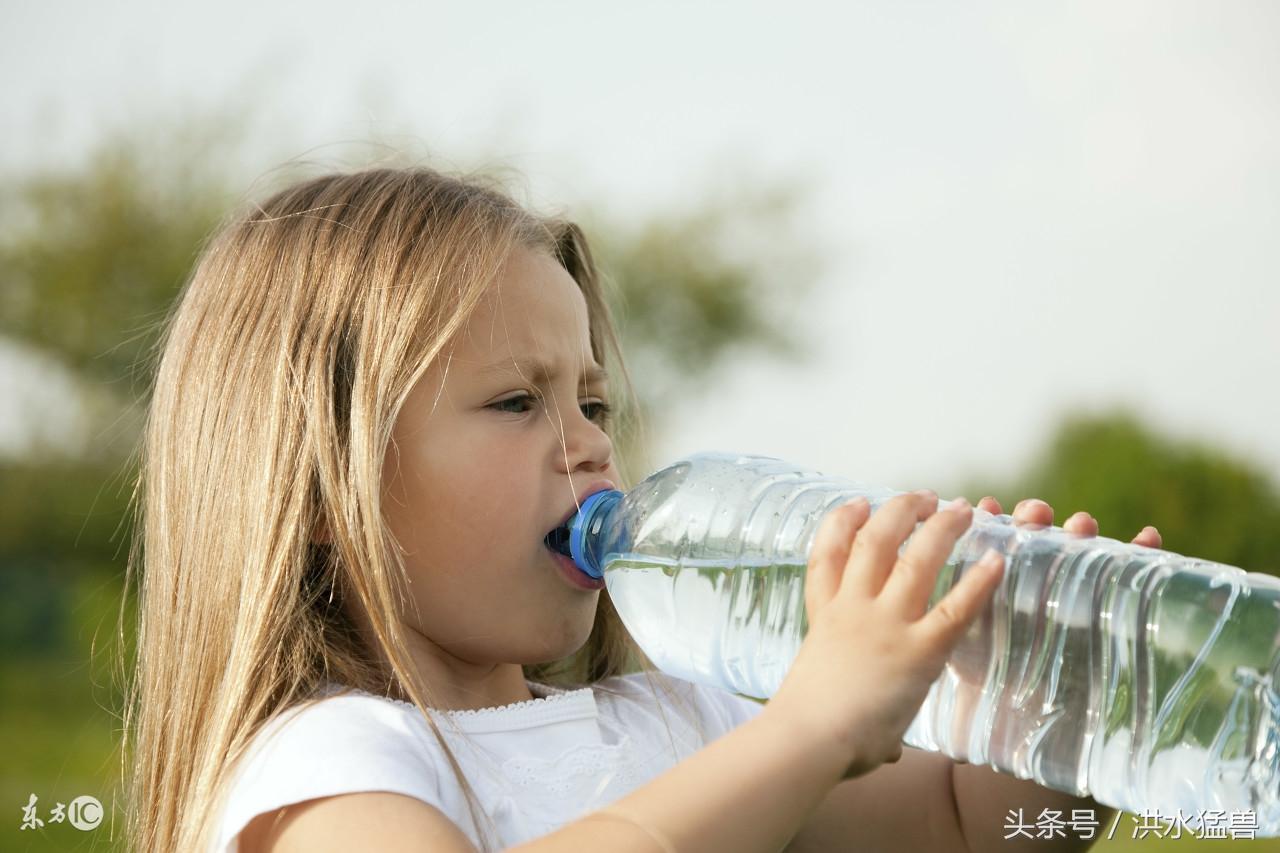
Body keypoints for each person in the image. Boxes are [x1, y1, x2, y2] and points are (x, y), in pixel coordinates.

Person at [120, 164, 1162, 853]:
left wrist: (1056, 711)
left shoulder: (676, 720)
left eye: (592, 400)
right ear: (318, 484)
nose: (585, 441)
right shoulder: (328, 767)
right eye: (516, 401)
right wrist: (806, 727)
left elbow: (966, 829)